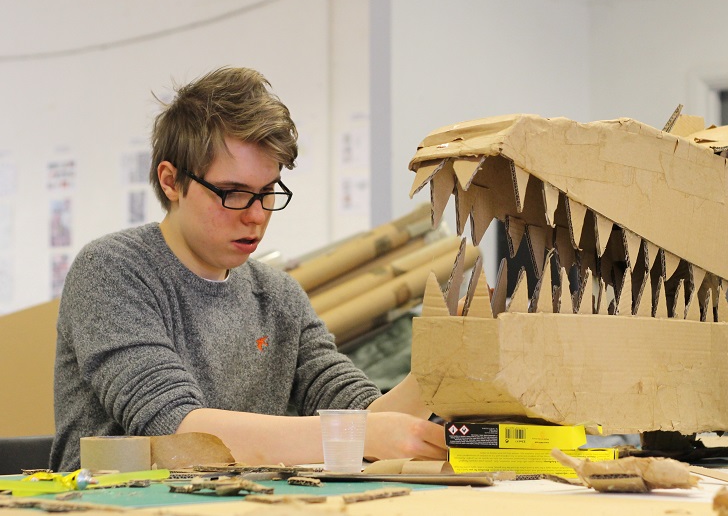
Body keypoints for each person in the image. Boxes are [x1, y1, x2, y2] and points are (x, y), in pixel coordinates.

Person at [49, 67, 447, 472]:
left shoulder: (277, 296)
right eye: (234, 193)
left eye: (268, 191)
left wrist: (442, 368)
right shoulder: (114, 271)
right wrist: (363, 435)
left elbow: (363, 415)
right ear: (170, 181)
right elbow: (182, 433)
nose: (256, 215)